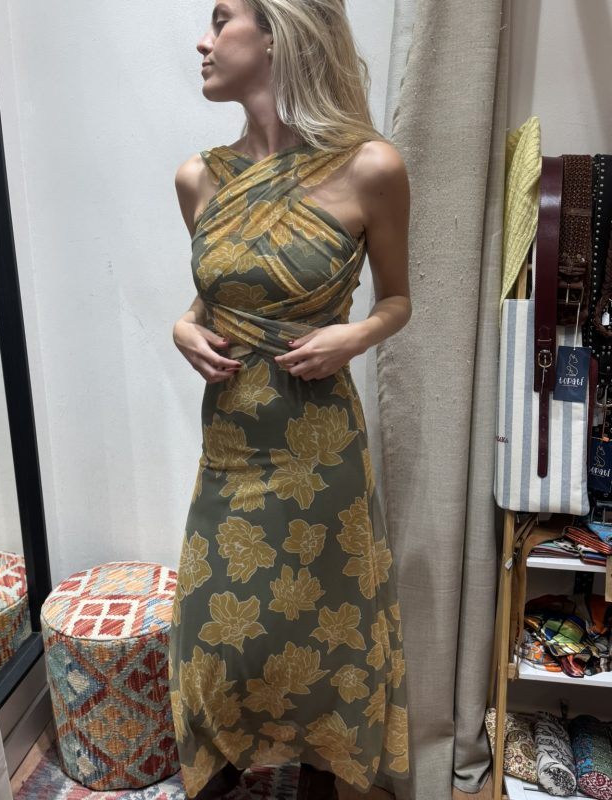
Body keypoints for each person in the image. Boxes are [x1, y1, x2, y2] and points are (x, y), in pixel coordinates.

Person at [167, 1, 411, 797]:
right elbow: (221, 292)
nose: (203, 40)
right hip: (233, 451)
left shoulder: (370, 167)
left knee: (325, 644)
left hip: (320, 452)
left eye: (221, 19)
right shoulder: (199, 178)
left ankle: (321, 778)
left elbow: (397, 300)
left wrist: (355, 336)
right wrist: (183, 324)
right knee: (217, 644)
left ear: (277, 33)